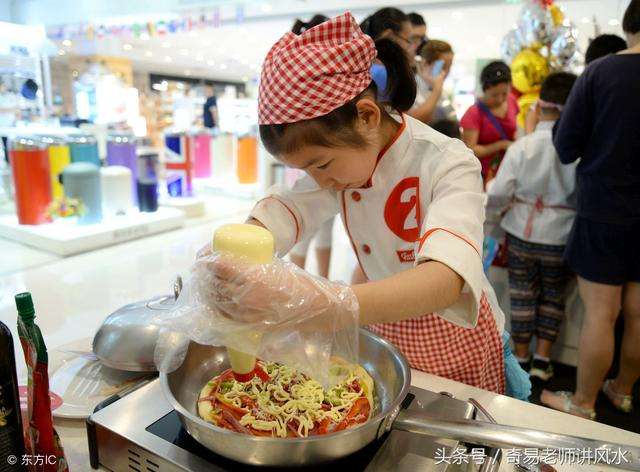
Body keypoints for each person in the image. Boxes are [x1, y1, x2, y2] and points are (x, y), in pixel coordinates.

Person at [203, 13, 531, 399]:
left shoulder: (448, 162)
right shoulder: (346, 164)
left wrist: (318, 304)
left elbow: (444, 280)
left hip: (455, 332)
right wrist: (231, 256)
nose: (320, 180)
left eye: (320, 165)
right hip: (384, 319)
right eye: (307, 170)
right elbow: (288, 207)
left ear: (367, 116)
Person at [541, 0, 640, 420]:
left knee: (603, 312)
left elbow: (565, 146)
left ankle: (582, 403)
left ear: (629, 21)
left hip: (605, 208)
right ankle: (623, 391)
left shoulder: (602, 72)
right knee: (638, 312)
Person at [486, 72, 578, 383]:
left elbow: (498, 193)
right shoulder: (580, 150)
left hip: (521, 233)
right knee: (554, 296)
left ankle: (522, 357)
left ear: (538, 107)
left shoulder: (522, 147)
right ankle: (542, 360)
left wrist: (495, 218)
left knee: (521, 295)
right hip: (562, 235)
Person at [288, 14, 335, 279]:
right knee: (306, 226)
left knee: (324, 224)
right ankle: (299, 289)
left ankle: (320, 285)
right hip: (311, 158)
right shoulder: (309, 72)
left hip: (317, 156)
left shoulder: (307, 70)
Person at [461, 61, 518, 186]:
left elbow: (515, 129)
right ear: (484, 90)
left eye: (504, 94)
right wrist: (501, 145)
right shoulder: (473, 113)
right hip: (484, 175)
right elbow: (470, 150)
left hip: (509, 170)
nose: (500, 99)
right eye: (494, 95)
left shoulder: (512, 100)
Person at [409, 39, 454, 124]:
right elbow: (413, 122)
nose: (446, 72)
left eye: (449, 66)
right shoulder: (410, 87)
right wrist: (437, 90)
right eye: (443, 66)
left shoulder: (440, 90)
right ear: (425, 63)